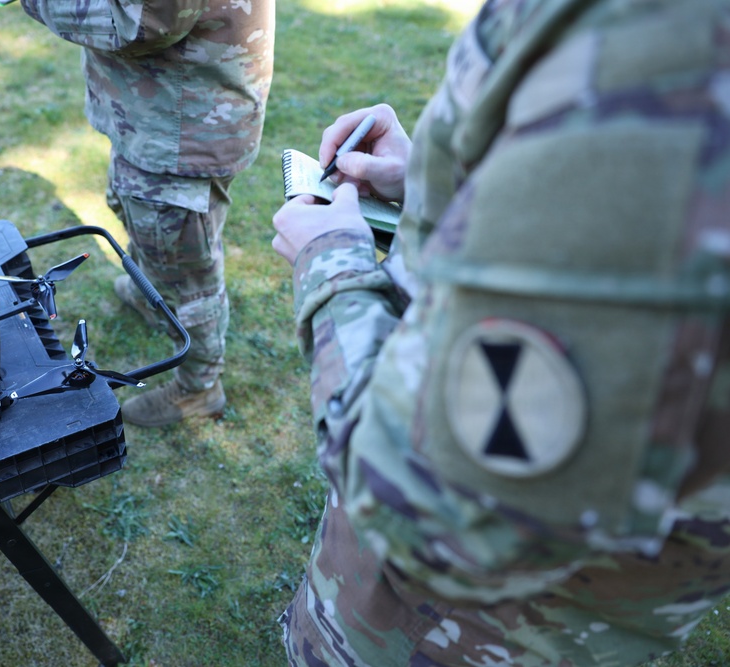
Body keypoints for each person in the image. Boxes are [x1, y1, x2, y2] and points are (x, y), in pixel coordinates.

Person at [271, 0, 730, 665]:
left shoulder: (674, 60)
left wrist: (330, 261)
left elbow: (432, 518)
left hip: (483, 630)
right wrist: (433, 178)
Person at [18, 0, 275, 427]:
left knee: (185, 273)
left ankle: (199, 388)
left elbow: (142, 20)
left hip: (180, 127)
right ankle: (149, 295)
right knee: (144, 222)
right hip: (159, 111)